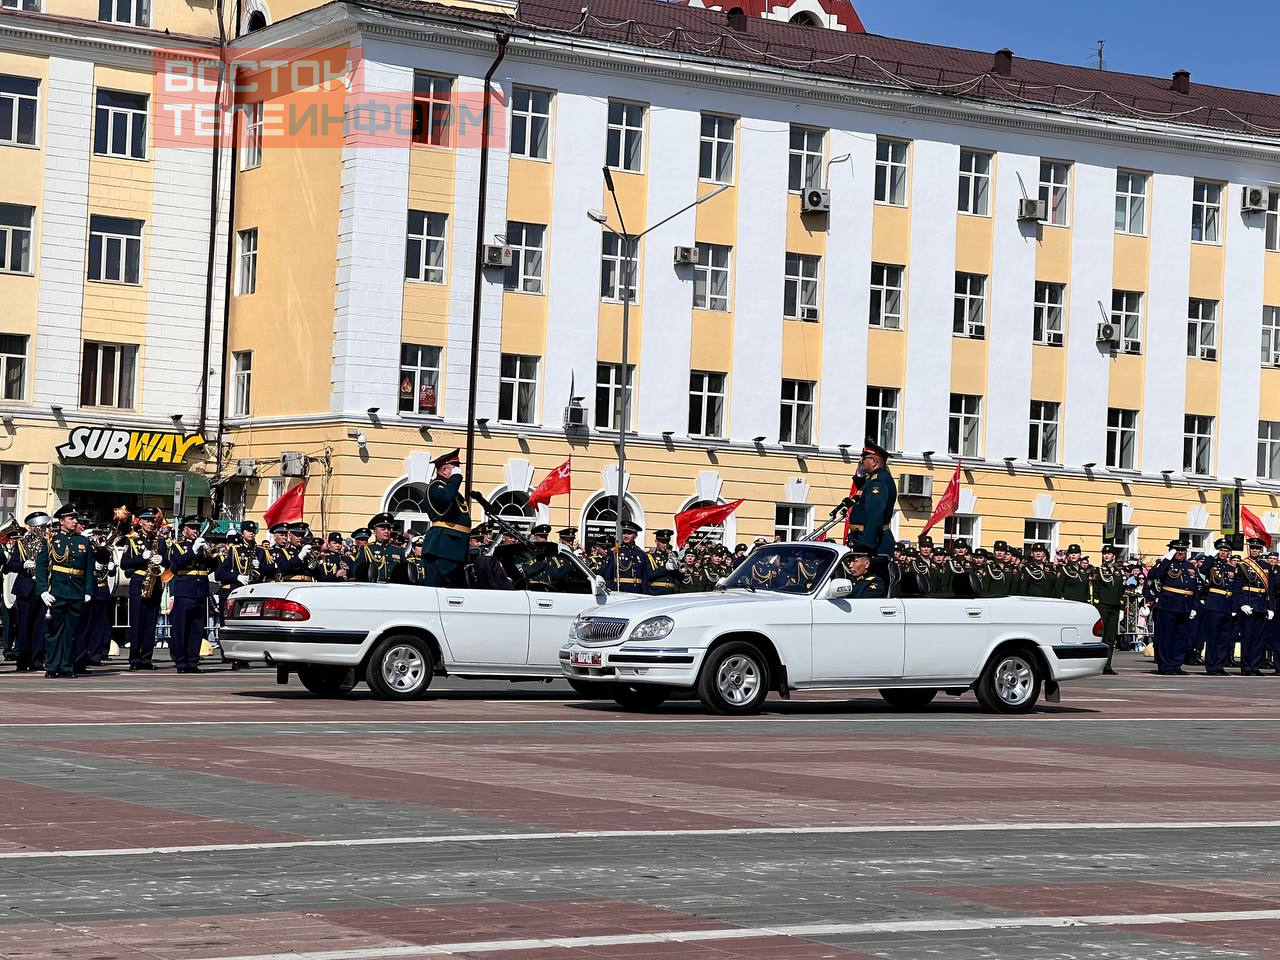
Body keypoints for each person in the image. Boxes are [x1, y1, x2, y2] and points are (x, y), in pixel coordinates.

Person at [35, 504, 92, 679]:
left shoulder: (83, 541)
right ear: (62, 521)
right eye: (71, 518)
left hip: (76, 591)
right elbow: (42, 566)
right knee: (53, 632)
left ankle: (66, 666)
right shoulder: (51, 539)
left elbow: (89, 569)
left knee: (70, 632)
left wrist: (88, 590)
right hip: (57, 591)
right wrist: (43, 590)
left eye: (76, 519)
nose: (75, 522)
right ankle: (52, 666)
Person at [163, 517, 215, 673]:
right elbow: (176, 564)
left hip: (200, 591)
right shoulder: (177, 547)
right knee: (181, 628)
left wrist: (210, 554)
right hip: (185, 591)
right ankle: (181, 662)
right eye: (192, 527)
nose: (195, 530)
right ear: (184, 529)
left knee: (196, 629)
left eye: (197, 527)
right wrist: (193, 551)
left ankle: (193, 661)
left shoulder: (202, 547)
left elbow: (214, 567)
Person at [119, 508, 165, 671]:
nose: (151, 524)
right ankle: (134, 659)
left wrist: (163, 560)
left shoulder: (160, 541)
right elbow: (124, 564)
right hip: (139, 580)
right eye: (148, 521)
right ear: (141, 522)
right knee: (138, 621)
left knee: (150, 623)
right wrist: (140, 558)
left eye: (153, 521)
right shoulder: (131, 540)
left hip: (155, 582)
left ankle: (146, 658)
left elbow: (168, 563)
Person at [1144, 539, 1199, 676]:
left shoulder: (1189, 566)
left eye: (1183, 550)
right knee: (1166, 637)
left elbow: (1195, 587)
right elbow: (1154, 575)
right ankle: (1165, 666)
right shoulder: (1165, 564)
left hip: (1185, 606)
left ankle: (1176, 664)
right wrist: (1166, 560)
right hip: (1168, 605)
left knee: (1180, 637)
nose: (1180, 552)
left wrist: (1194, 606)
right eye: (1177, 550)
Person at [421, 449, 471, 587]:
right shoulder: (436, 486)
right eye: (454, 468)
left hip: (456, 549)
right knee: (436, 591)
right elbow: (445, 500)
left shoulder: (452, 490)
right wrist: (456, 478)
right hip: (442, 548)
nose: (458, 471)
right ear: (444, 471)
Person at [845, 439, 897, 559]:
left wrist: (867, 545)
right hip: (861, 537)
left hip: (872, 541)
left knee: (873, 577)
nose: (861, 461)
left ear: (874, 461)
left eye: (864, 458)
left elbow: (874, 514)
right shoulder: (873, 479)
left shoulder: (879, 482)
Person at [1232, 537, 1273, 676]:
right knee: (1247, 637)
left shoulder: (1266, 566)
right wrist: (1241, 604)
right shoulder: (1243, 565)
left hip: (1261, 605)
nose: (1254, 550)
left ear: (1261, 550)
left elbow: (1270, 589)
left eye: (1257, 548)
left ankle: (1255, 666)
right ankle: (1246, 666)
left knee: (1258, 639)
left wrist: (1270, 607)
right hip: (1248, 604)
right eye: (1252, 548)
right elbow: (1237, 587)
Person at [1196, 538, 1236, 676]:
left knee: (1224, 638)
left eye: (1226, 551)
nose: (1223, 553)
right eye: (1221, 550)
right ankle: (1211, 666)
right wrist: (1210, 557)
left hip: (1227, 605)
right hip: (1214, 604)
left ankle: (1220, 665)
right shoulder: (1211, 565)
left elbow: (1235, 588)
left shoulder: (1232, 568)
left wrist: (1234, 607)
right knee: (1212, 637)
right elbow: (1202, 569)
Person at [1091, 544, 1126, 674]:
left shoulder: (1119, 572)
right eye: (1104, 554)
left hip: (1115, 606)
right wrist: (1096, 605)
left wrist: (1121, 606)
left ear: (1113, 556)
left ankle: (1107, 665)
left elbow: (1121, 590)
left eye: (1109, 554)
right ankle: (1097, 665)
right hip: (1103, 605)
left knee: (1110, 637)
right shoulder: (1098, 570)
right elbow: (1096, 589)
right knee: (1101, 636)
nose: (1106, 555)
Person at [353, 513, 405, 583]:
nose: (387, 531)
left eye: (389, 529)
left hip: (394, 587)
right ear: (375, 531)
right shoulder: (366, 549)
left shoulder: (398, 550)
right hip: (374, 587)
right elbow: (356, 571)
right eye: (383, 529)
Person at [601, 521, 647, 593]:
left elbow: (644, 577)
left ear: (635, 536)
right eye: (624, 533)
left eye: (629, 533)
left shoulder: (641, 554)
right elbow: (607, 575)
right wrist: (612, 589)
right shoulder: (615, 552)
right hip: (621, 591)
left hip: (638, 592)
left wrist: (645, 593)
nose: (626, 536)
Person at [645, 529, 681, 596]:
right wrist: (665, 568)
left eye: (667, 542)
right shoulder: (650, 556)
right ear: (656, 541)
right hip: (655, 592)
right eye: (662, 542)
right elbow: (648, 574)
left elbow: (677, 577)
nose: (665, 545)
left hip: (671, 592)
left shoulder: (673, 555)